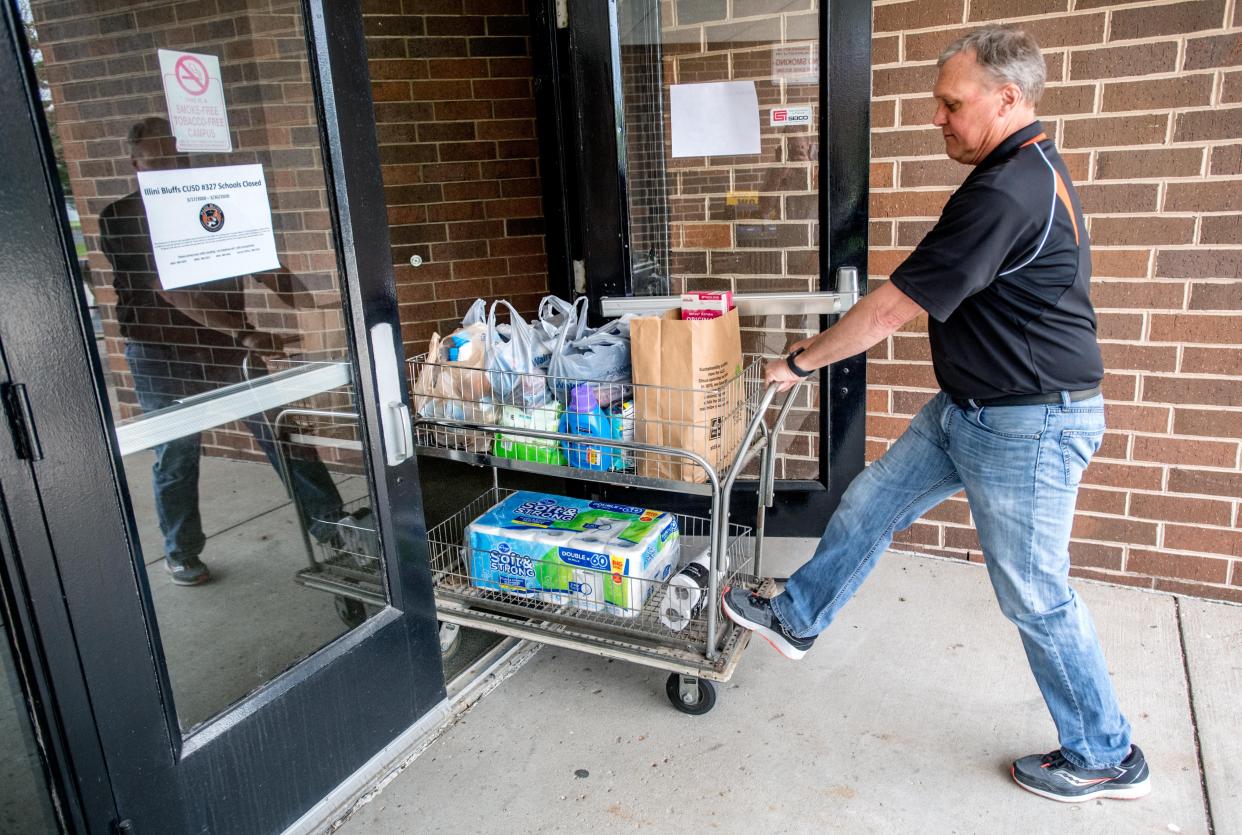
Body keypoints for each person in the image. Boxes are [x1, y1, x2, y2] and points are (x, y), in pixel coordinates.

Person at [721, 26, 1151, 803]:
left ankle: (1106, 753)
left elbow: (888, 310)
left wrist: (797, 364)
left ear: (1008, 99)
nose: (939, 118)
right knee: (871, 499)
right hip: (973, 409)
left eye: (952, 104)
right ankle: (798, 615)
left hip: (1029, 425)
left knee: (1036, 594)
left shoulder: (1006, 192)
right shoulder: (1025, 168)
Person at [98, 118, 360, 586]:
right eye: (158, 161)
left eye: (178, 159)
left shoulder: (210, 206)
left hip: (226, 345)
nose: (170, 168)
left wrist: (315, 310)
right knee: (177, 453)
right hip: (163, 353)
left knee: (282, 431)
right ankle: (181, 551)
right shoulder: (122, 218)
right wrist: (244, 332)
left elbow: (266, 265)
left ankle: (332, 526)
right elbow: (172, 290)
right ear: (137, 164)